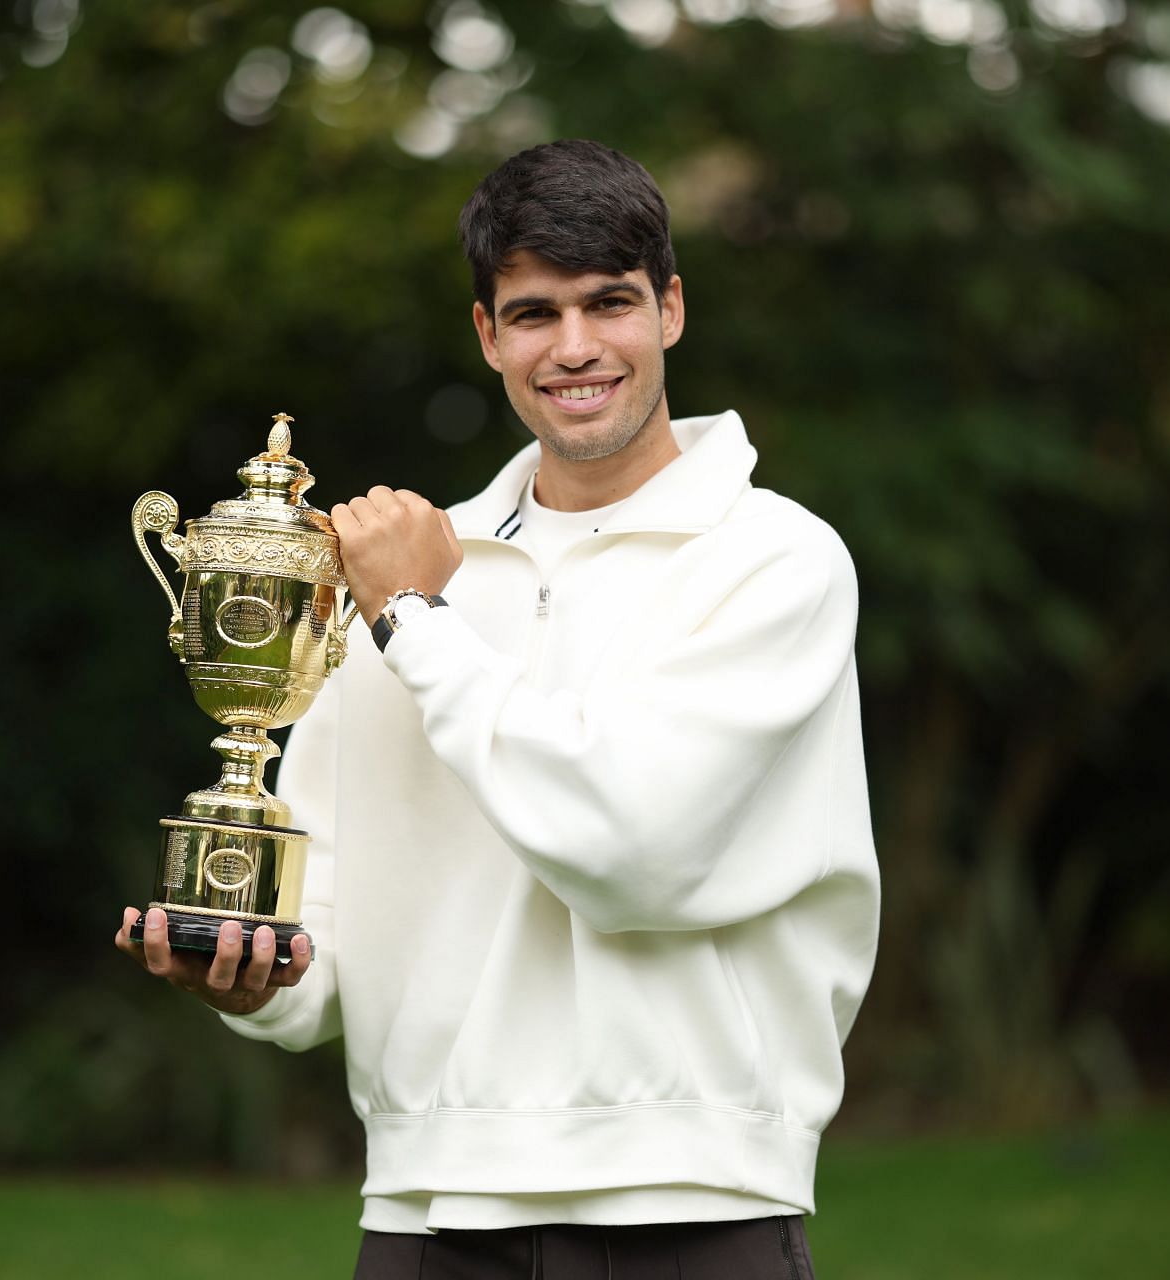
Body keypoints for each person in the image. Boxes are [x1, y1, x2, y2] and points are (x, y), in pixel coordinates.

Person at [117, 139, 879, 1279]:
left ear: (670, 309)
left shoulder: (773, 559)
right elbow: (327, 908)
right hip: (428, 1208)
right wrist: (255, 971)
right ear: (487, 335)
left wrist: (420, 622)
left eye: (609, 303)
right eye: (533, 313)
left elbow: (633, 849)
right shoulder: (400, 573)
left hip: (692, 1201)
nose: (574, 348)